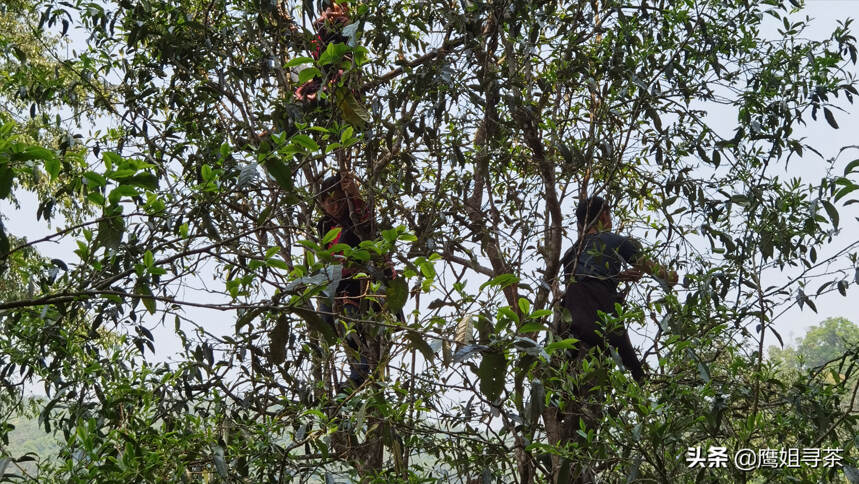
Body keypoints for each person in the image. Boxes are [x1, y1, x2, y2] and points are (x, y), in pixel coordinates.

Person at [544, 195, 677, 483]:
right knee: (589, 425)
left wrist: (617, 278)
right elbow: (659, 274)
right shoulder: (617, 241)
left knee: (567, 421)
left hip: (567, 340)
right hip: (596, 340)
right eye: (609, 213)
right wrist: (671, 276)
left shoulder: (571, 254)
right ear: (603, 215)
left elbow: (588, 281)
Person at [316, 172, 397, 392]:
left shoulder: (354, 216)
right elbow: (325, 256)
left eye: (339, 199)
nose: (334, 206)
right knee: (328, 316)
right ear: (322, 204)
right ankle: (344, 365)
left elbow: (366, 225)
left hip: (361, 281)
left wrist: (355, 194)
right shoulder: (324, 226)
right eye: (329, 201)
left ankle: (359, 375)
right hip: (339, 281)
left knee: (355, 327)